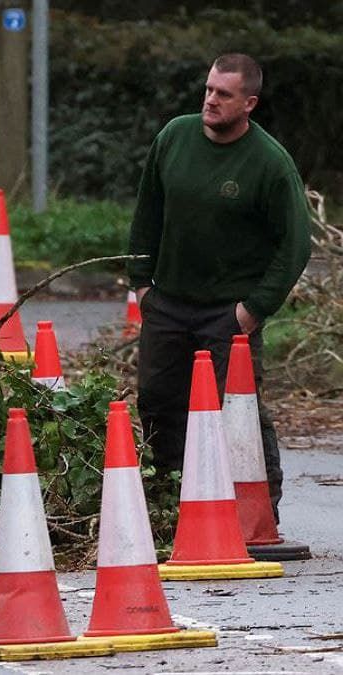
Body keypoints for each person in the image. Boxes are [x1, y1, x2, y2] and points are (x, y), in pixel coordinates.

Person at [127, 53, 312, 521]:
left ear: (248, 103)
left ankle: (258, 515)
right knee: (158, 403)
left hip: (229, 311)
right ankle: (171, 508)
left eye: (223, 94)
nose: (210, 100)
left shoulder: (270, 164)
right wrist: (141, 285)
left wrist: (253, 310)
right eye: (209, 89)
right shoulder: (174, 137)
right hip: (167, 303)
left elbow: (295, 246)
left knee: (240, 411)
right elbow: (147, 213)